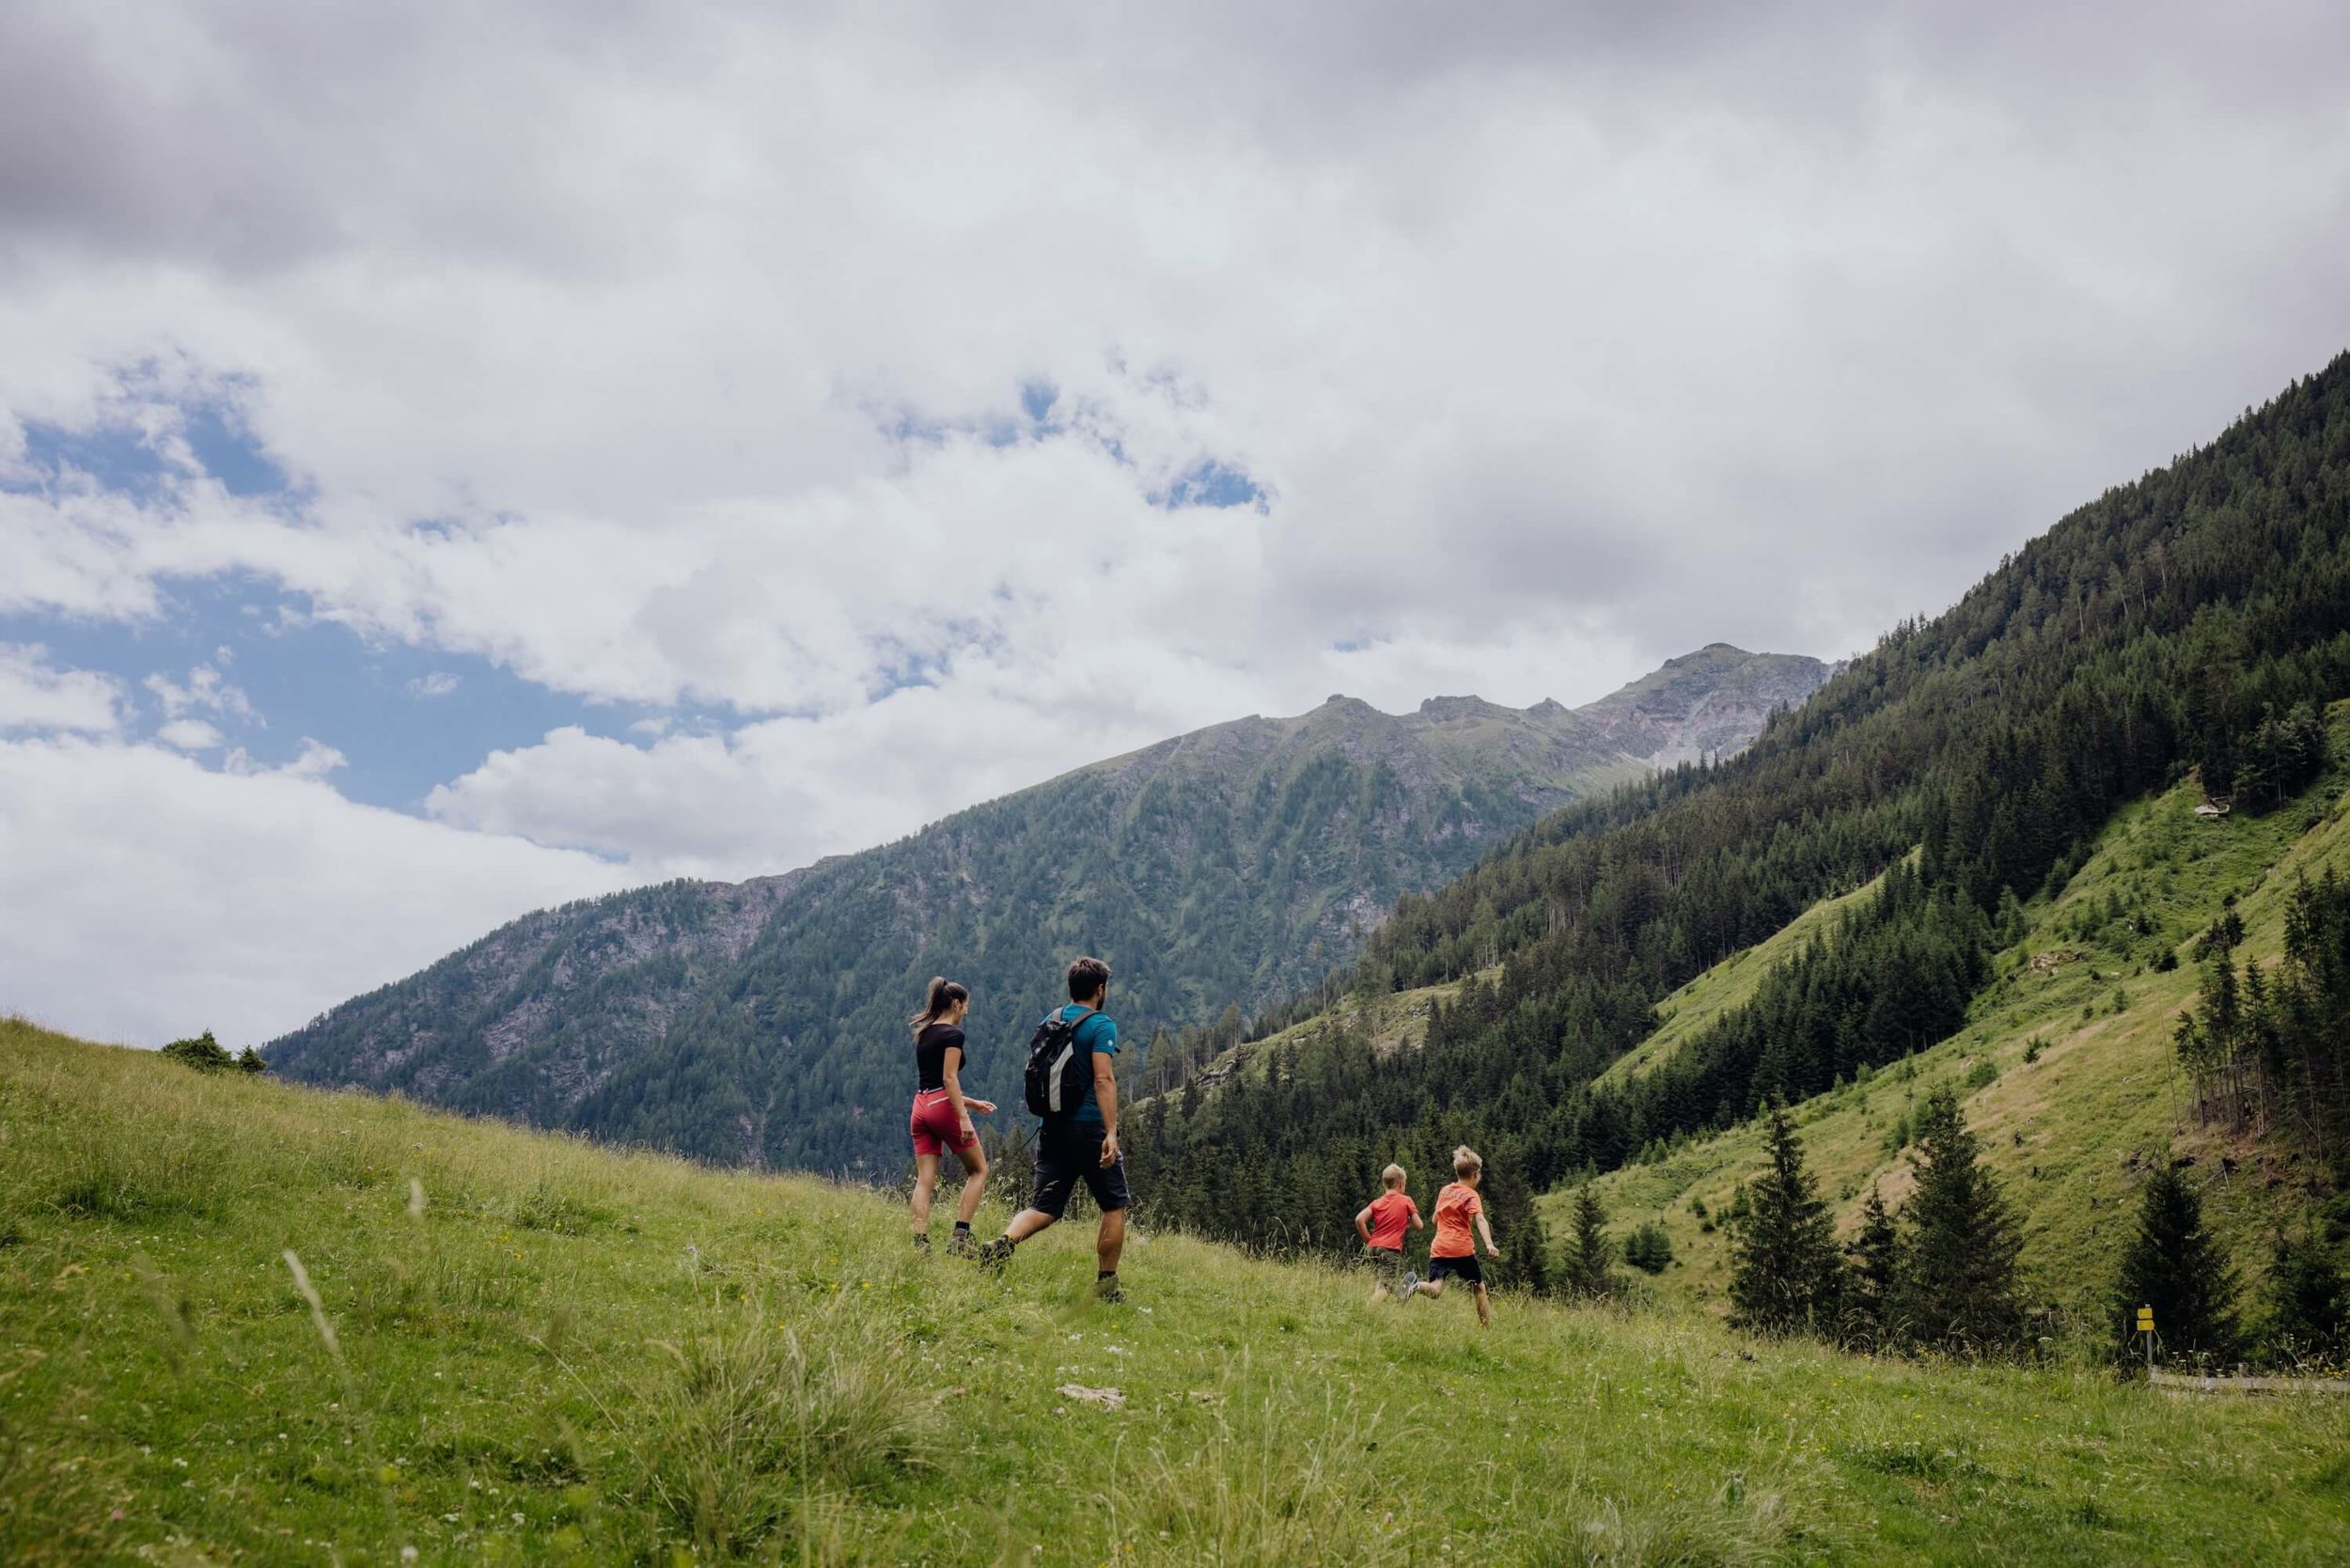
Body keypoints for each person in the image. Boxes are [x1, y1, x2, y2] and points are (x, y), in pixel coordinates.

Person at [976, 955, 1130, 1301]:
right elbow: (1103, 1079)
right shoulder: (1102, 1025)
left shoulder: (1051, 1019)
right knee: (1113, 1205)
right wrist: (1111, 1132)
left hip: (1052, 1128)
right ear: (1100, 989)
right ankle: (1106, 1286)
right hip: (1089, 1128)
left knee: (1044, 1207)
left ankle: (1000, 1245)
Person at [906, 977, 994, 1256]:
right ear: (956, 1003)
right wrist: (963, 1117)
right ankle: (960, 1237)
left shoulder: (925, 1032)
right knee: (979, 1170)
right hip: (943, 1106)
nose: (967, 1011)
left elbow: (932, 1084)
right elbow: (948, 1078)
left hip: (920, 1106)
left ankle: (920, 1244)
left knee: (924, 1180)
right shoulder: (954, 1035)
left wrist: (972, 1103)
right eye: (966, 1005)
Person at [1399, 1146, 1503, 1326]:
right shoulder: (1471, 1195)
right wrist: (1489, 1244)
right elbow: (1480, 1218)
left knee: (1436, 1288)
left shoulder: (1445, 1190)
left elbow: (1434, 1219)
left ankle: (1415, 1286)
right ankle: (1487, 1330)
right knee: (1479, 1287)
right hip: (1461, 1248)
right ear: (1476, 1174)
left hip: (1440, 1247)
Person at [1355, 1163, 1424, 1302]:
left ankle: (1380, 1310)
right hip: (1390, 1249)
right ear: (1401, 1184)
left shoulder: (1377, 1202)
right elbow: (1419, 1225)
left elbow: (1359, 1220)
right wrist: (1410, 1216)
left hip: (1373, 1249)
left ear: (1384, 1183)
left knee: (1383, 1282)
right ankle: (1368, 1311)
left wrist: (1369, 1241)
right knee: (1387, 1286)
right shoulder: (1406, 1200)